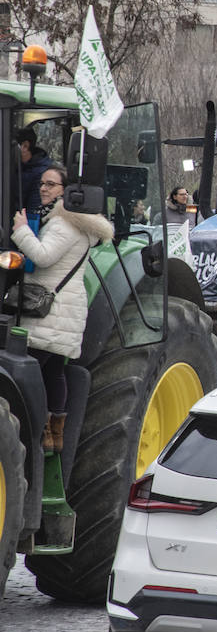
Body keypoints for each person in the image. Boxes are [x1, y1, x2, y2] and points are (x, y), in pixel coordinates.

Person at [11, 164, 113, 452]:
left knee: (33, 370)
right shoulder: (78, 223)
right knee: (54, 372)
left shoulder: (63, 222)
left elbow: (43, 256)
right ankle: (54, 435)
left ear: (65, 191)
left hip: (52, 311)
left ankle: (36, 430)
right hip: (65, 309)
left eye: (51, 184)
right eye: (42, 183)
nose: (43, 188)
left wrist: (20, 231)